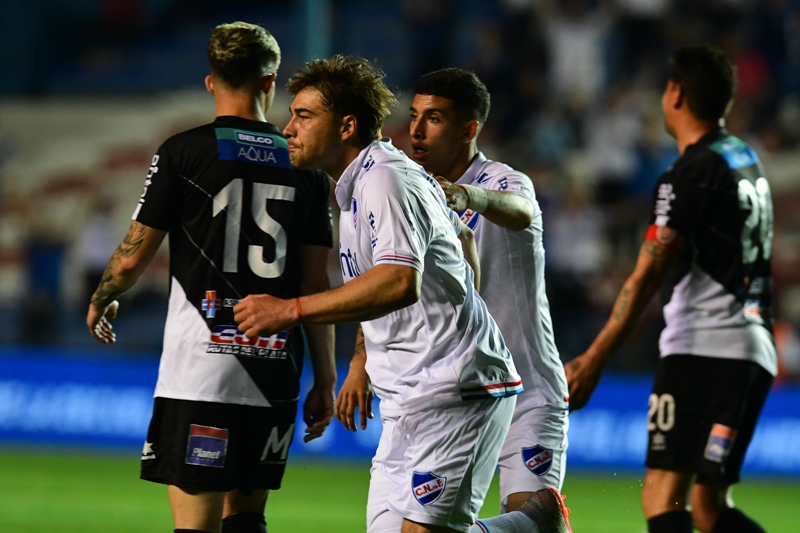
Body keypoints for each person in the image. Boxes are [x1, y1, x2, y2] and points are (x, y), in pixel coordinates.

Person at [232, 55, 566, 533]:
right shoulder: (362, 186)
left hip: (454, 391)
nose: (288, 128)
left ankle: (532, 525)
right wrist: (368, 358)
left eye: (303, 116)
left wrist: (290, 311)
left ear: (347, 125)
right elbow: (463, 242)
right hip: (407, 399)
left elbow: (396, 281)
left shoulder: (386, 177)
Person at [86, 22, 336, 533]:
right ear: (272, 83)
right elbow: (316, 286)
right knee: (247, 522)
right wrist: (325, 378)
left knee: (195, 526)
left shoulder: (184, 152)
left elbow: (132, 259)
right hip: (274, 365)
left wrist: (102, 296)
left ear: (209, 82)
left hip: (202, 364)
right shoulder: (306, 167)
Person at [337, 67, 572, 532]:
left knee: (516, 514)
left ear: (469, 129)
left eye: (435, 118)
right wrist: (360, 362)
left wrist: (468, 195)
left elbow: (523, 212)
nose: (417, 130)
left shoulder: (503, 180)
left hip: (529, 392)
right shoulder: (408, 189)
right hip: (451, 390)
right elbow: (385, 277)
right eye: (415, 115)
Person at [565, 44, 775, 533]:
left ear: (676, 93)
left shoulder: (687, 174)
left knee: (663, 496)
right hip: (751, 348)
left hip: (702, 351)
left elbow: (647, 275)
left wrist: (594, 357)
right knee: (709, 506)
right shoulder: (745, 158)